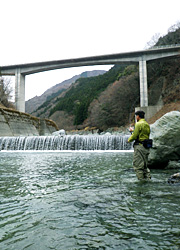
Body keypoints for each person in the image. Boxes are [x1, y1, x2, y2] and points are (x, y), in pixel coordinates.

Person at [128, 110, 151, 180]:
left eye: (136, 116)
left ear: (138, 116)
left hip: (139, 147)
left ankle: (141, 182)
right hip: (146, 147)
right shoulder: (146, 124)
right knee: (145, 166)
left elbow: (135, 136)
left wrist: (129, 140)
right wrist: (133, 131)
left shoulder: (138, 124)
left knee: (138, 166)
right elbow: (142, 133)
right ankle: (148, 179)